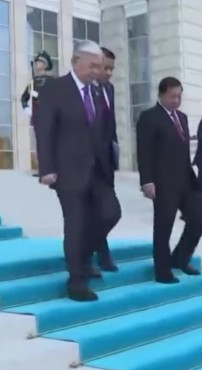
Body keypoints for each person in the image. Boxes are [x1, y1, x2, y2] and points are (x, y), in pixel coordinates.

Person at [35, 40, 121, 302]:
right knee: (75, 224)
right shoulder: (55, 88)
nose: (96, 71)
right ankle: (76, 281)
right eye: (92, 66)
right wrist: (46, 167)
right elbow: (44, 129)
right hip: (68, 170)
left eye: (99, 66)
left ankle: (82, 256)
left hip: (99, 170)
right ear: (75, 62)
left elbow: (105, 130)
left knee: (111, 213)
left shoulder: (99, 92)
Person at [136, 76, 202, 283]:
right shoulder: (149, 117)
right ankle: (162, 270)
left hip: (185, 180)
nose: (176, 100)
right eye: (172, 96)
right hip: (162, 182)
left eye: (179, 96)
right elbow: (143, 151)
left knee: (199, 216)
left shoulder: (182, 118)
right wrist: (147, 181)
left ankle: (180, 258)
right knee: (163, 226)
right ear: (161, 95)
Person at [89, 46, 119, 272]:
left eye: (111, 69)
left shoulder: (109, 89)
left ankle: (93, 249)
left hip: (106, 161)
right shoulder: (83, 90)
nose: (108, 73)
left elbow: (111, 125)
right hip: (86, 162)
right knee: (91, 211)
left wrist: (114, 154)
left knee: (110, 212)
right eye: (105, 68)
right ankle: (97, 254)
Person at [20, 51, 54, 174]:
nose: (37, 64)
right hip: (37, 118)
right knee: (39, 143)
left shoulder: (52, 81)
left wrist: (39, 95)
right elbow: (24, 98)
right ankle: (42, 168)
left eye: (39, 62)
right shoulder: (32, 83)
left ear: (45, 65)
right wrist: (26, 108)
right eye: (36, 62)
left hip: (49, 118)